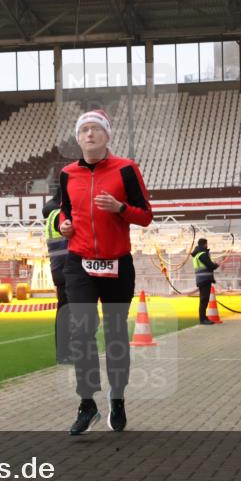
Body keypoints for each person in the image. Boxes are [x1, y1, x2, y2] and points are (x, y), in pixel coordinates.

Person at [58, 109, 154, 435]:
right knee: (81, 330)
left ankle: (118, 398)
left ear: (107, 135)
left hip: (117, 263)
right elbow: (63, 212)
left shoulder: (126, 169)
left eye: (95, 129)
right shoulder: (67, 173)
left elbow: (145, 215)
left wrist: (120, 208)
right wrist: (64, 226)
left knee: (115, 336)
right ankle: (87, 403)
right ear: (78, 136)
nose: (89, 134)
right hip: (79, 262)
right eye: (83, 129)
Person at [42, 192, 71, 364]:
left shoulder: (52, 214)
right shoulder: (60, 216)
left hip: (60, 269)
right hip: (66, 268)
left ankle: (64, 353)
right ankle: (65, 354)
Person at [190, 238, 220, 325]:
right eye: (207, 244)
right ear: (205, 244)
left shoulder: (197, 255)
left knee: (204, 300)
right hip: (205, 280)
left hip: (201, 279)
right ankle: (203, 319)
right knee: (204, 300)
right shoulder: (202, 254)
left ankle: (203, 318)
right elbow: (210, 266)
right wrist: (216, 264)